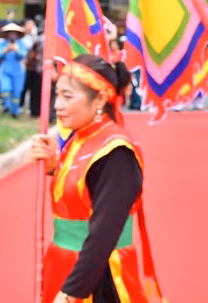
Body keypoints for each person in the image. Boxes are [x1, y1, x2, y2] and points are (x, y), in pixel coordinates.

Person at [30, 54, 161, 302]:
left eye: (68, 97)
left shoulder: (116, 153)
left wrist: (71, 293)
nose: (57, 105)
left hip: (99, 278)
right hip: (64, 265)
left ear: (100, 98)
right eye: (57, 94)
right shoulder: (80, 138)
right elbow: (82, 194)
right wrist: (52, 167)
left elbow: (104, 233)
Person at [0, 22, 28, 117]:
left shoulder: (21, 43)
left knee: (16, 91)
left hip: (18, 71)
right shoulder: (2, 43)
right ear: (6, 34)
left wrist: (16, 50)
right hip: (5, 69)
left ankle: (15, 111)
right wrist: (6, 50)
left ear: (17, 34)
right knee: (5, 88)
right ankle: (7, 106)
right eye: (10, 33)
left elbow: (24, 55)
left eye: (14, 33)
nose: (12, 35)